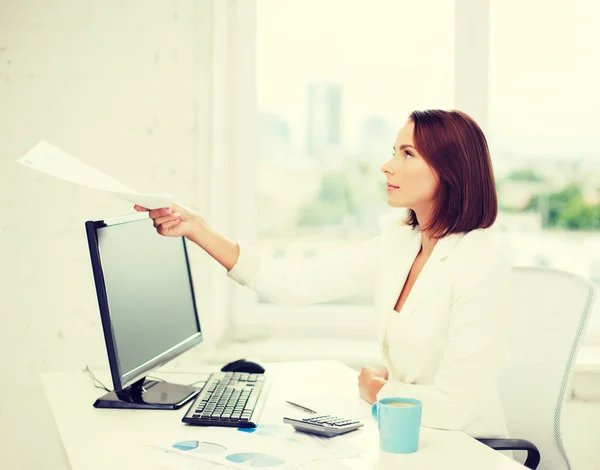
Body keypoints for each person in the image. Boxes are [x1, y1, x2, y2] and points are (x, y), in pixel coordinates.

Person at [135, 109, 512, 438]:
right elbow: (296, 285)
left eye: (407, 153)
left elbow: (455, 407)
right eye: (393, 151)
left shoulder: (480, 260)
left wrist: (380, 390)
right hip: (408, 439)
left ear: (449, 171)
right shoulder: (399, 243)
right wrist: (198, 229)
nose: (388, 165)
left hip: (465, 448)